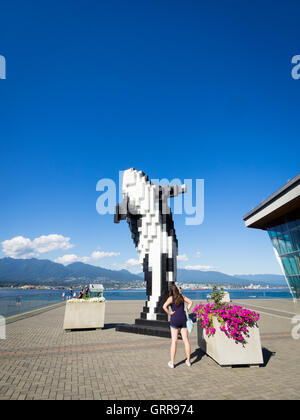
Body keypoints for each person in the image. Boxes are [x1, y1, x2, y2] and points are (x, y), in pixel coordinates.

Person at [163, 284, 193, 369]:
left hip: (175, 320)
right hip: (183, 319)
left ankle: (172, 363)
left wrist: (169, 313)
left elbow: (164, 307)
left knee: (174, 341)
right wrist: (186, 310)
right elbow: (191, 302)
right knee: (186, 340)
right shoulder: (181, 296)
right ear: (177, 289)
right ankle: (188, 361)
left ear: (171, 291)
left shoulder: (170, 298)